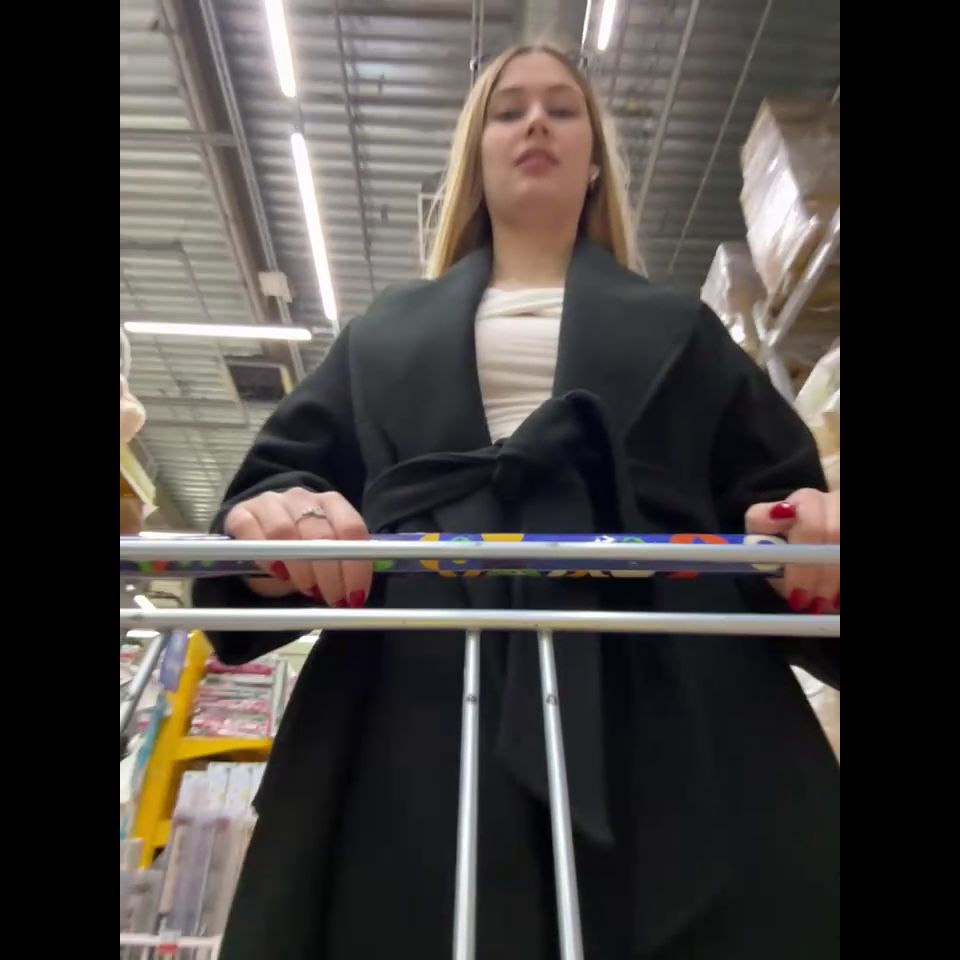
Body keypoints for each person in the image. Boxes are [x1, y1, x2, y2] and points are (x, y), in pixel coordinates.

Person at [194, 44, 840, 960]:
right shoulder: (377, 337)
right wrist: (279, 527)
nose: (536, 121)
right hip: (414, 682)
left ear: (595, 162)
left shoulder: (687, 334)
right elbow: (273, 492)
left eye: (563, 108)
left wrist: (806, 533)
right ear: (477, 153)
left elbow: (779, 499)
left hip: (666, 678)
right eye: (508, 110)